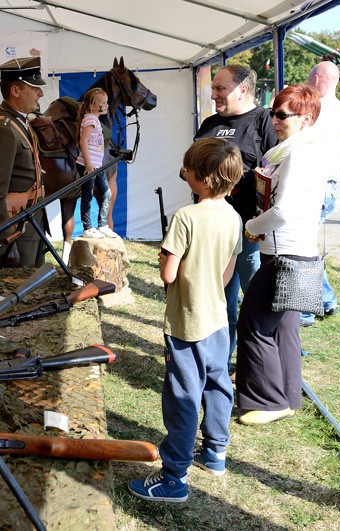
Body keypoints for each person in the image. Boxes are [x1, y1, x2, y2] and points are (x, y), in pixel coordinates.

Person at [127, 138, 243, 502]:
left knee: (183, 397)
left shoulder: (185, 217)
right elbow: (226, 275)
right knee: (217, 384)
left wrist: (165, 258)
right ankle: (215, 452)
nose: (184, 173)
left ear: (204, 179)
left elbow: (168, 275)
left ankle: (174, 476)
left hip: (186, 323)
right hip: (218, 320)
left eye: (188, 169)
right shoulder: (234, 216)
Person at [236, 84, 324, 426]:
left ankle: (269, 401)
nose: (274, 120)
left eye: (282, 115)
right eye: (273, 113)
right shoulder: (296, 151)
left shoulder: (298, 154)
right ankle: (287, 395)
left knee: (254, 324)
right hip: (291, 250)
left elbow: (284, 210)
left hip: (285, 252)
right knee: (285, 327)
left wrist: (251, 225)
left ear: (306, 118)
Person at [193, 65, 279, 373]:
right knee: (220, 300)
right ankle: (220, 361)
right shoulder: (209, 124)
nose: (214, 94)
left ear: (242, 89)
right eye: (213, 88)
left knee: (254, 299)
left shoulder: (263, 122)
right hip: (209, 230)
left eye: (220, 88)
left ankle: (257, 362)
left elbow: (275, 174)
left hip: (247, 230)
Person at [0, 56, 48, 268]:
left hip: (30, 223)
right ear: (15, 91)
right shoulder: (3, 130)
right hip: (16, 232)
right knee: (20, 295)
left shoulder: (19, 123)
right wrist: (5, 242)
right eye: (34, 87)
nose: (41, 93)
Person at [299, 61, 340, 326]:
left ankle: (307, 310)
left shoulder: (319, 110)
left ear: (318, 79)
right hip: (327, 184)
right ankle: (327, 300)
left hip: (315, 184)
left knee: (304, 248)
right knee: (308, 244)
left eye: (309, 81)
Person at [75, 87, 116, 239]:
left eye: (106, 103)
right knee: (88, 195)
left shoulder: (95, 120)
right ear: (93, 106)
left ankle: (102, 225)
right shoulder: (90, 119)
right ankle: (88, 227)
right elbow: (83, 141)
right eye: (103, 103)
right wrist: (88, 164)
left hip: (96, 165)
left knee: (106, 193)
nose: (106, 106)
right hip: (89, 165)